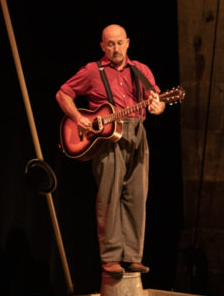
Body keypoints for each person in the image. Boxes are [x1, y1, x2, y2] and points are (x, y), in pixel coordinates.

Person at [56, 24, 166, 280]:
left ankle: (133, 256)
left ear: (128, 43)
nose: (116, 48)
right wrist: (78, 118)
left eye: (119, 43)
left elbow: (157, 102)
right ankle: (111, 257)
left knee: (137, 194)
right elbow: (63, 94)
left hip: (137, 132)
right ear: (103, 46)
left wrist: (157, 107)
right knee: (110, 195)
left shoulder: (141, 70)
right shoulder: (92, 71)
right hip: (107, 136)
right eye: (110, 44)